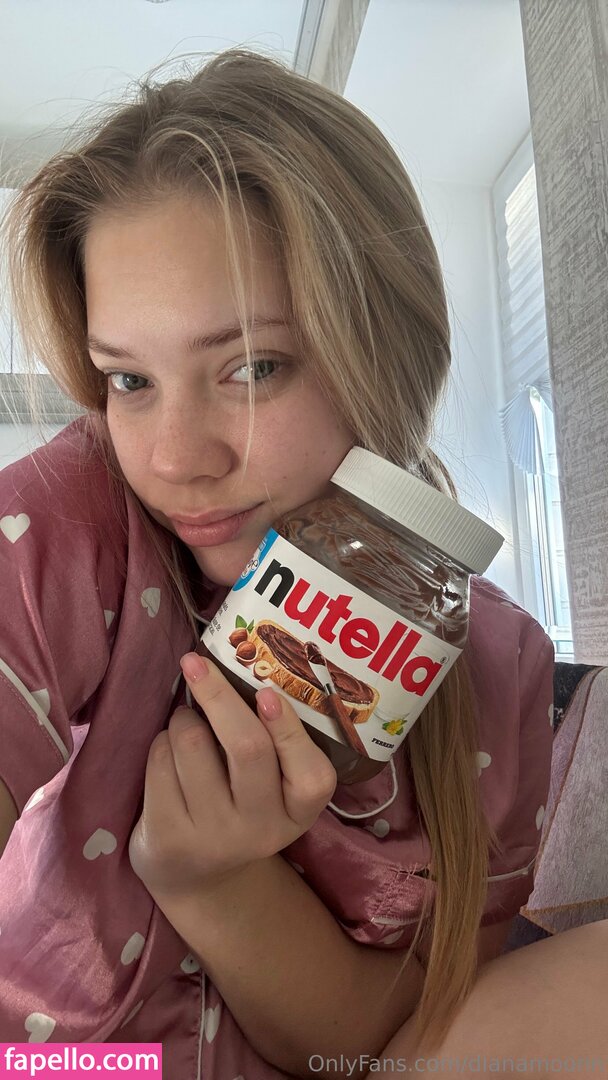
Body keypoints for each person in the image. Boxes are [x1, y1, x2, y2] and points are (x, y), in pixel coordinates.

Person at [0, 49, 556, 1076]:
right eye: (129, 380)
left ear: (386, 352)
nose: (176, 460)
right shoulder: (74, 523)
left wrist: (213, 881)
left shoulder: (496, 663)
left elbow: (380, 1055)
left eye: (253, 366)